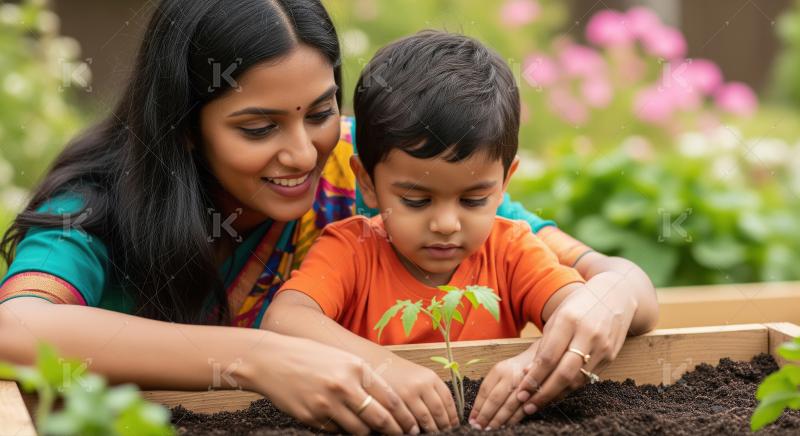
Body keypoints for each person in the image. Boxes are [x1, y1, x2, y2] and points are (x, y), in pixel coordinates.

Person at [0, 0, 657, 433]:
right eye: (258, 127)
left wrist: (606, 300)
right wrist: (256, 358)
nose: (301, 152)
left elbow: (575, 261)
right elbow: (16, 327)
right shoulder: (95, 207)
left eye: (317, 111)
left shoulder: (363, 165)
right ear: (185, 128)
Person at [265, 30, 660, 431]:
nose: (446, 224)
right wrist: (379, 366)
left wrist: (534, 365)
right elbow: (283, 320)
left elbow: (582, 311)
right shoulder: (351, 249)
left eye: (473, 200)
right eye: (416, 201)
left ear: (505, 182)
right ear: (366, 182)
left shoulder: (512, 250)